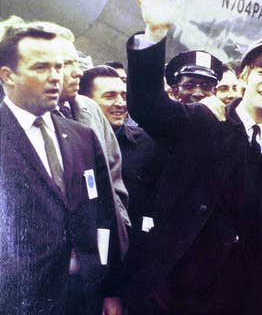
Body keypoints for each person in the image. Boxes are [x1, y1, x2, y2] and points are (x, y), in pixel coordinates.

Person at [123, 0, 262, 314]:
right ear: (244, 77)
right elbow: (147, 107)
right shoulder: (201, 121)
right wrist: (155, 33)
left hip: (240, 299)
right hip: (176, 294)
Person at [0, 23, 122, 315]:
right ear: (8, 76)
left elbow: (105, 215)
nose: (55, 77)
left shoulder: (82, 137)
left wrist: (111, 290)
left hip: (84, 298)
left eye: (58, 67)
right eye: (41, 67)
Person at [32, 21, 131, 250]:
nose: (77, 72)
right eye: (67, 64)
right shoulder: (25, 118)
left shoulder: (89, 109)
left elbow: (113, 176)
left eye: (76, 62)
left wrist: (120, 228)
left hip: (99, 248)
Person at [79, 65, 161, 241]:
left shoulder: (146, 143)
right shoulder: (73, 144)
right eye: (109, 96)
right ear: (86, 101)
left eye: (123, 96)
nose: (120, 103)